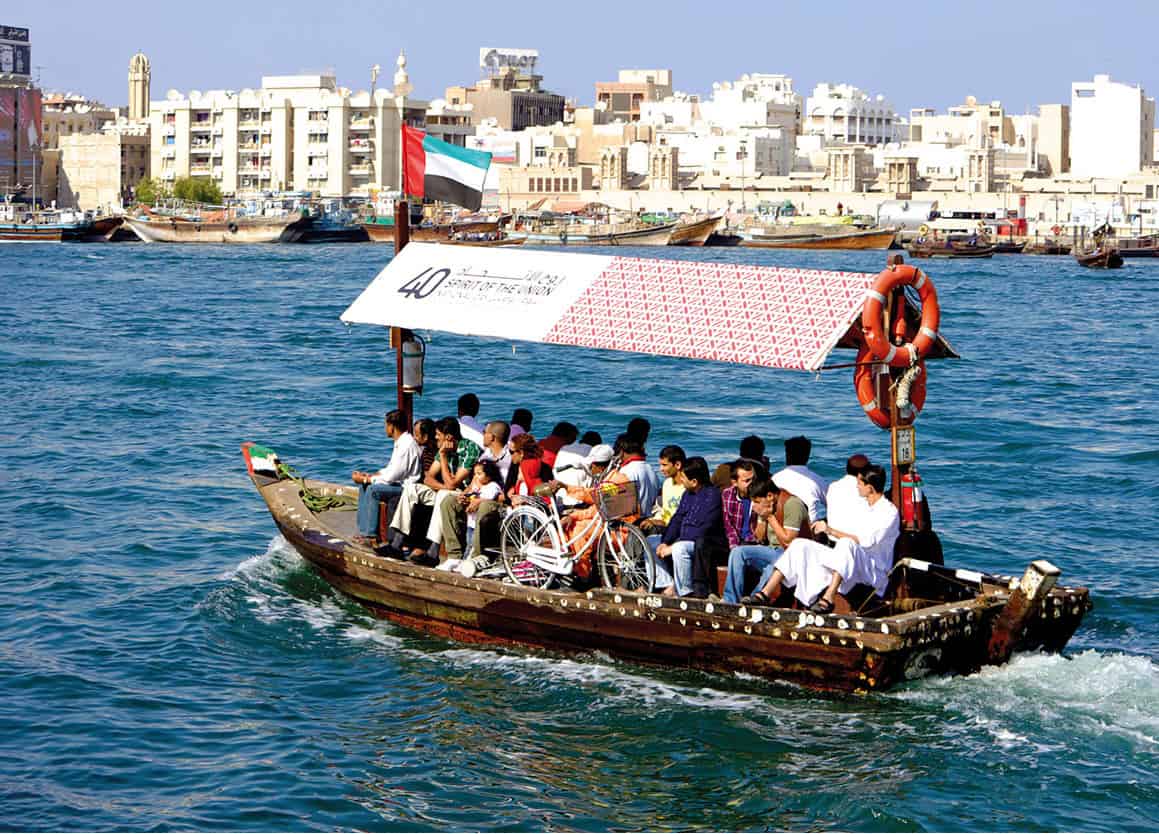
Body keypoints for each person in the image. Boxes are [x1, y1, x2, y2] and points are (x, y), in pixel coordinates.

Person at [750, 465, 899, 613]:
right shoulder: (863, 507)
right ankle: (765, 593)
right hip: (851, 560)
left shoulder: (888, 512)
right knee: (800, 545)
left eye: (859, 483)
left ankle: (828, 598)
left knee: (847, 544)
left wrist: (829, 530)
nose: (857, 486)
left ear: (870, 487)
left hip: (873, 569)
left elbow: (865, 541)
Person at [387, 417, 479, 565]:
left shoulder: (469, 448)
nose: (435, 437)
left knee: (443, 494)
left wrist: (443, 456)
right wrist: (443, 486)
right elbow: (428, 478)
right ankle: (396, 545)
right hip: (446, 490)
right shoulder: (442, 447)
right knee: (412, 488)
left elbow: (454, 483)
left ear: (448, 436)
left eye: (438, 434)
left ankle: (433, 552)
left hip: (464, 494)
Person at [438, 420, 511, 562]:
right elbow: (473, 484)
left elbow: (508, 495)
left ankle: (475, 556)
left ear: (492, 437)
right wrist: (465, 495)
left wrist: (482, 500)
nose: (482, 435)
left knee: (484, 506)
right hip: (478, 497)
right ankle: (454, 556)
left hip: (497, 502)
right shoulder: (485, 457)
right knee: (449, 502)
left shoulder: (509, 459)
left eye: (485, 432)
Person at [729, 481, 811, 604]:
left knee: (771, 568)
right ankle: (730, 600)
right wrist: (762, 518)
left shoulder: (792, 504)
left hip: (790, 554)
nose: (754, 505)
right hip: (772, 550)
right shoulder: (766, 506)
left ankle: (755, 599)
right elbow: (759, 538)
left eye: (756, 501)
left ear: (770, 496)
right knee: (737, 552)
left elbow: (789, 540)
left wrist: (770, 518)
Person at [654, 457, 725, 598]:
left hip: (702, 543)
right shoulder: (687, 494)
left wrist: (674, 545)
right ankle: (666, 583)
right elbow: (677, 518)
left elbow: (705, 528)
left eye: (683, 478)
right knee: (651, 542)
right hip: (683, 538)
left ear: (694, 482)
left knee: (680, 549)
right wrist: (665, 541)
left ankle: (685, 591)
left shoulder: (713, 496)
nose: (681, 480)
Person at [352, 409, 423, 547]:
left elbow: (393, 476)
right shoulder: (401, 443)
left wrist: (367, 479)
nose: (385, 428)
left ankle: (370, 535)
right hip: (398, 483)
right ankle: (363, 530)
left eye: (386, 425)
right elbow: (390, 469)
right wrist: (371, 476)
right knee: (364, 486)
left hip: (406, 488)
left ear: (392, 426)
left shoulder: (406, 445)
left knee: (373, 490)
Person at [772, 435, 828, 527]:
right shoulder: (817, 481)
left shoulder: (775, 478)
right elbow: (832, 507)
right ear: (807, 456)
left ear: (787, 454)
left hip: (779, 528)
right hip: (808, 531)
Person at [639, 445, 685, 534]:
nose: (661, 469)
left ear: (678, 465)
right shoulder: (667, 483)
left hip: (675, 529)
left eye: (664, 465)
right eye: (660, 465)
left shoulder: (687, 488)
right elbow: (664, 511)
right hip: (663, 523)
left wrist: (659, 522)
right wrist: (654, 520)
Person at [825, 453, 871, 534]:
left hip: (833, 539)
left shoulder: (833, 486)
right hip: (856, 542)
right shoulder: (866, 490)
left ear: (846, 469)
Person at [722, 459, 761, 550]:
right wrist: (734, 546)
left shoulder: (760, 495)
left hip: (752, 541)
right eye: (747, 481)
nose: (752, 483)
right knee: (704, 544)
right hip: (735, 540)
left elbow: (760, 535)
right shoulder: (727, 494)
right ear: (735, 482)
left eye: (753, 479)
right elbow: (728, 525)